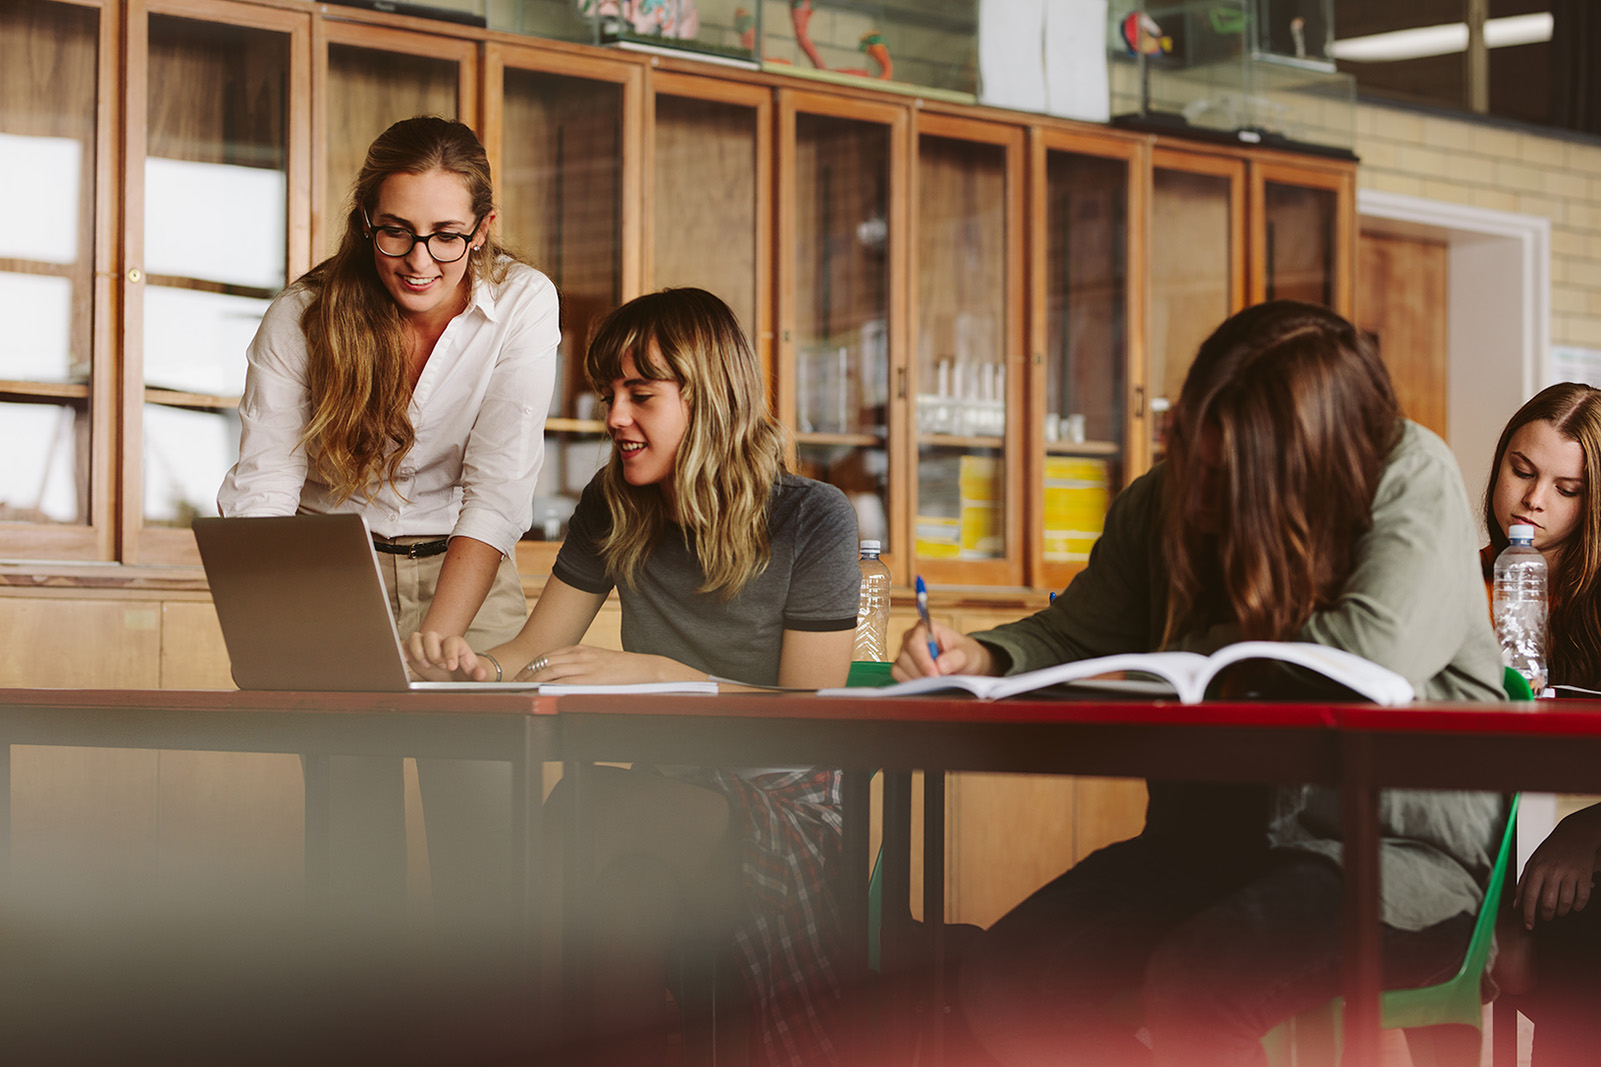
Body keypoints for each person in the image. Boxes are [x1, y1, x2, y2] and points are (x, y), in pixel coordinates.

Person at [892, 300, 1507, 1066]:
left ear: (1298, 460)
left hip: (1393, 857)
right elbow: (1073, 632)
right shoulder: (1162, 496)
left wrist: (1199, 647)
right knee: (1009, 975)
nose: (1197, 494)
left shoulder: (1410, 471)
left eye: (1226, 476)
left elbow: (1374, 652)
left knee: (1197, 984)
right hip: (1210, 844)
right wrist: (977, 655)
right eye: (1192, 458)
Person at [409, 287, 862, 1067]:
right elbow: (536, 647)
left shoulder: (813, 518)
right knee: (621, 892)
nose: (614, 415)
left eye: (640, 395)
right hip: (665, 790)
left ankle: (503, 1029)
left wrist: (658, 673)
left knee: (588, 810)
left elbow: (809, 712)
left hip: (788, 796)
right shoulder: (612, 501)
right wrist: (472, 666)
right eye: (608, 394)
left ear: (710, 397)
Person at [217, 115, 561, 921]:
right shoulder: (303, 315)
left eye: (446, 236)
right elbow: (265, 489)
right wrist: (270, 630)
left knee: (486, 833)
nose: (419, 261)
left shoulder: (522, 302)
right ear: (365, 218)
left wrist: (442, 639)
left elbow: (498, 486)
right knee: (350, 845)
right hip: (339, 575)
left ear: (484, 229)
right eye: (396, 233)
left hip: (467, 569)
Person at [1480, 382, 1601, 1064]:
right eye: (1521, 472)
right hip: (1456, 849)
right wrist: (1498, 911)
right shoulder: (1454, 582)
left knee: (1577, 938)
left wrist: (1585, 829)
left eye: (1566, 487)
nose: (1533, 501)